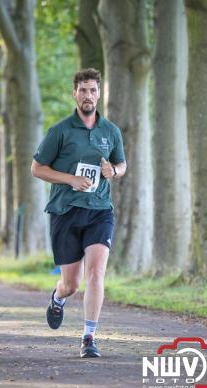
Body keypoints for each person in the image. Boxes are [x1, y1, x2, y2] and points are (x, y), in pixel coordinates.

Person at [31, 68, 126, 358]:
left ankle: (88, 337)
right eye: (83, 90)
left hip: (99, 211)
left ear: (99, 93)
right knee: (71, 284)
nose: (88, 95)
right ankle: (58, 298)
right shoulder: (59, 131)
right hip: (65, 212)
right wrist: (71, 179)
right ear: (75, 93)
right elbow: (37, 169)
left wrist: (114, 171)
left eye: (93, 90)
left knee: (96, 273)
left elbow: (121, 165)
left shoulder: (111, 131)